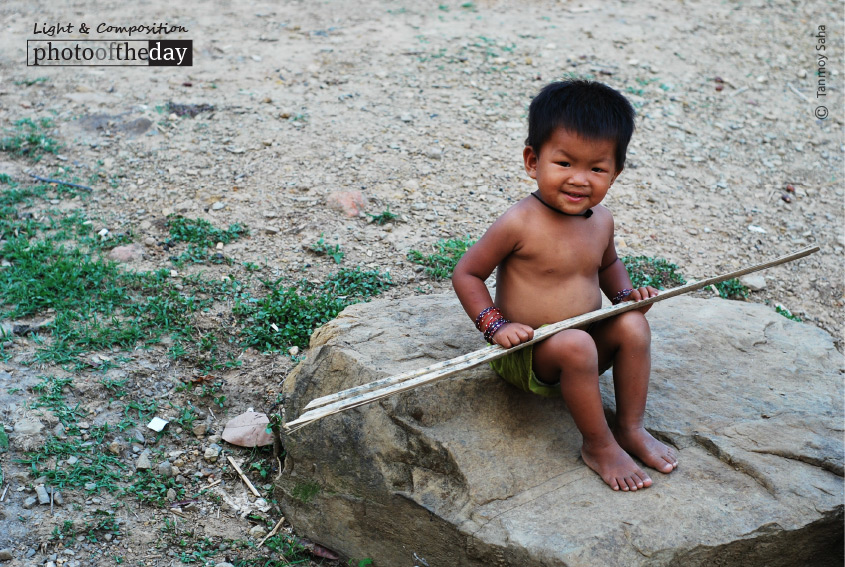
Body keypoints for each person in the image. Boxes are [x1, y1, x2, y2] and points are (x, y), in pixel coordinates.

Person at [451, 80, 678, 492]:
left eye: (596, 168)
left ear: (616, 172)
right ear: (532, 161)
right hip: (529, 352)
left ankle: (629, 427)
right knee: (575, 344)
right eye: (564, 164)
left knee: (633, 327)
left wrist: (626, 298)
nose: (579, 180)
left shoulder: (602, 221)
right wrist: (495, 326)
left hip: (587, 342)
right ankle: (598, 445)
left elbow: (608, 264)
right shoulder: (519, 222)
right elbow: (466, 273)